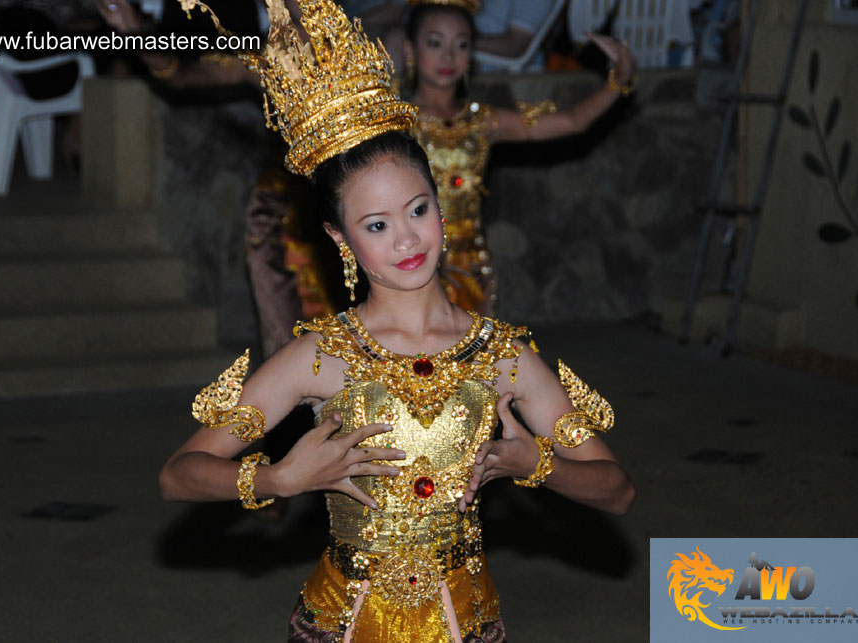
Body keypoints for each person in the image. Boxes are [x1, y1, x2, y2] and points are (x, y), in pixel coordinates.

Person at [162, 1, 634, 641]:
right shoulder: (320, 356)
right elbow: (179, 475)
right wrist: (277, 476)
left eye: (418, 210)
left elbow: (617, 490)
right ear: (339, 238)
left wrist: (537, 466)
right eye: (376, 226)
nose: (407, 239)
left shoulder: (500, 354)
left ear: (440, 206)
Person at [402, 0, 637, 315]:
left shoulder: (482, 121)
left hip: (469, 261)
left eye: (461, 45)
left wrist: (617, 83)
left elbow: (571, 121)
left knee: (473, 357)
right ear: (410, 50)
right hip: (411, 258)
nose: (448, 56)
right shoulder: (396, 123)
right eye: (435, 43)